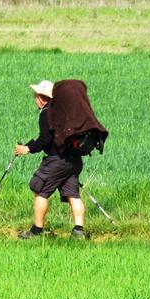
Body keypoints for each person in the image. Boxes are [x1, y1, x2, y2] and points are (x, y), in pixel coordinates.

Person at [14, 80, 88, 240]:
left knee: (40, 190)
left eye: (35, 96)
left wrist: (28, 149)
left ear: (41, 98)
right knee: (73, 194)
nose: (34, 99)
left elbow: (45, 140)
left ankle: (36, 231)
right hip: (74, 160)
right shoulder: (65, 111)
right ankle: (78, 231)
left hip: (57, 160)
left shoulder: (46, 113)